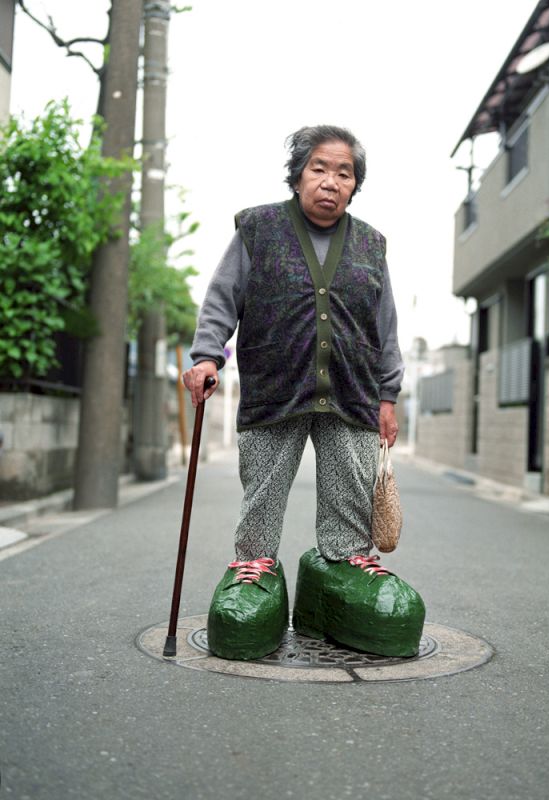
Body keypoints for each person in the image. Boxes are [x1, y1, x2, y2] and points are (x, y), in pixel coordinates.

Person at [183, 125, 425, 661]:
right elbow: (223, 296)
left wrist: (389, 396)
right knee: (262, 493)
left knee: (349, 498)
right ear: (297, 176)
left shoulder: (370, 244)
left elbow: (385, 325)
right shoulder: (258, 228)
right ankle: (255, 567)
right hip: (275, 387)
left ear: (355, 186)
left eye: (344, 173)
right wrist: (206, 355)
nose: (331, 182)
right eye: (319, 168)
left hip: (353, 391)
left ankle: (342, 569)